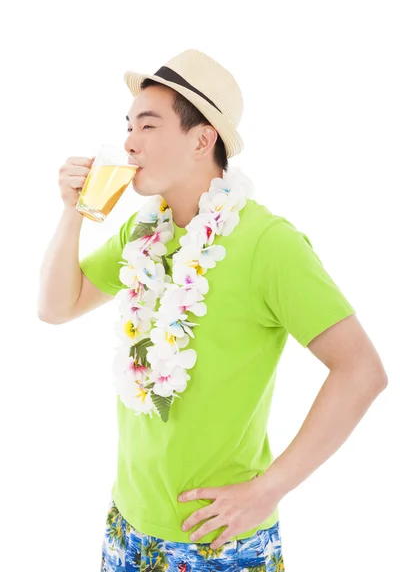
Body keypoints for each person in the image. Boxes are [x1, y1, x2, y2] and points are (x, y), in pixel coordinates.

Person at [38, 49, 388, 572]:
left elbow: (362, 371)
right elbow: (54, 307)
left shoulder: (269, 243)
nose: (129, 141)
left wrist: (268, 489)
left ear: (203, 139)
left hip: (220, 540)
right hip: (127, 527)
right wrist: (75, 213)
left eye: (148, 125)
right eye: (128, 125)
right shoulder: (144, 235)